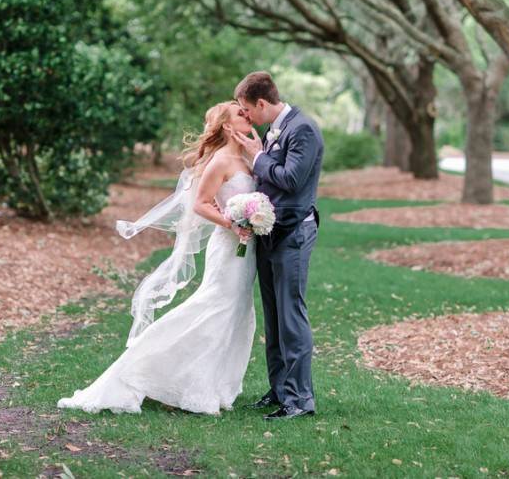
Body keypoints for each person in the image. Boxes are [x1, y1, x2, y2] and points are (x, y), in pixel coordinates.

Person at [57, 101, 259, 415]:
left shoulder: (246, 157)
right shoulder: (220, 160)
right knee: (213, 307)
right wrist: (231, 223)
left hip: (247, 249)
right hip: (228, 246)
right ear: (226, 125)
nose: (247, 115)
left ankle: (212, 385)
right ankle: (147, 366)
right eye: (239, 113)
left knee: (237, 312)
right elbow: (201, 203)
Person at [233, 71, 324, 420]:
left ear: (261, 103)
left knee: (291, 315)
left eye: (246, 109)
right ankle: (280, 389)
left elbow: (291, 179)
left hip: (293, 233)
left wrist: (258, 158)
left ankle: (300, 400)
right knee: (274, 317)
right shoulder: (275, 129)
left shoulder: (302, 129)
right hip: (268, 232)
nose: (245, 116)